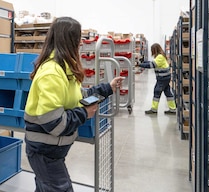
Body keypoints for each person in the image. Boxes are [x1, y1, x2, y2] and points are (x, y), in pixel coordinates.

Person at [24, 17, 124, 192]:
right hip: (44, 152)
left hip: (52, 152)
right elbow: (54, 124)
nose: (81, 45)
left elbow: (79, 96)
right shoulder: (52, 73)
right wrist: (84, 113)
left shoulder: (64, 68)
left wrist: (108, 87)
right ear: (69, 41)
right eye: (78, 40)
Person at [139, 43, 176, 115]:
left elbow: (152, 65)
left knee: (157, 92)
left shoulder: (160, 57)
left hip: (163, 78)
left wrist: (140, 64)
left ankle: (154, 109)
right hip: (165, 77)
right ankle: (173, 109)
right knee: (168, 92)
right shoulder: (161, 56)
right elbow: (152, 62)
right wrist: (143, 62)